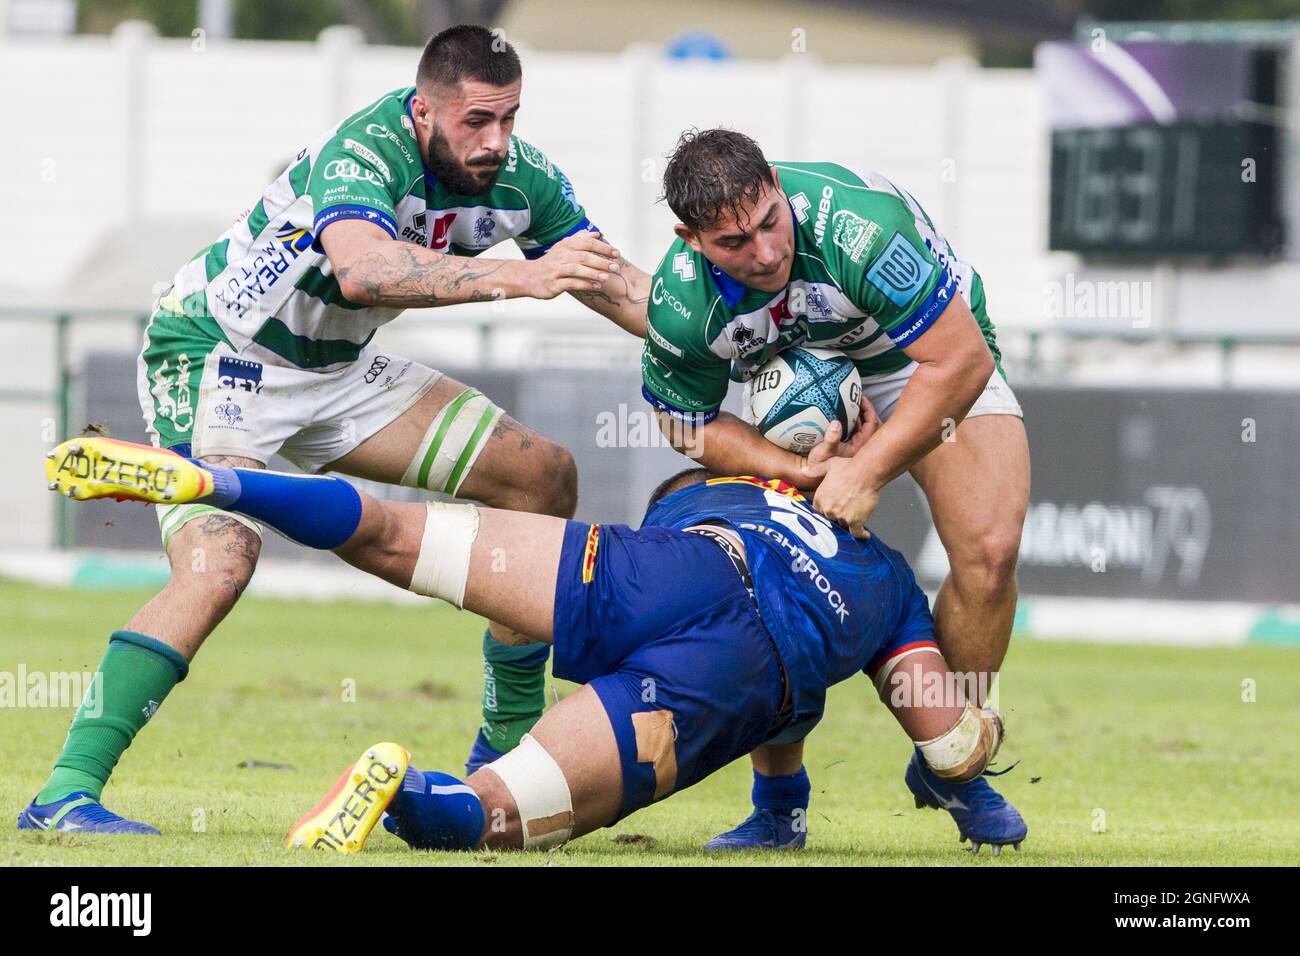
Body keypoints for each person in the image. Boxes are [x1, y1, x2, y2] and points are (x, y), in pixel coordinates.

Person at [17, 25, 651, 836]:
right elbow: (365, 269)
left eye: (510, 119)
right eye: (476, 123)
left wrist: (726, 343)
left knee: (542, 477)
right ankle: (64, 795)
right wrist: (519, 277)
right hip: (221, 356)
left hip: (338, 370)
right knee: (222, 561)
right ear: (424, 111)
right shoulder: (364, 149)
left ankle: (499, 756)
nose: (496, 142)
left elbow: (615, 283)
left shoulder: (523, 179)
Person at [39, 437, 1021, 855]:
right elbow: (940, 740)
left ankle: (215, 481)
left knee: (390, 529)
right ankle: (412, 791)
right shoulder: (889, 579)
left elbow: (686, 466)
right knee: (498, 815)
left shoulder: (733, 488)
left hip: (659, 563)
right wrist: (973, 753)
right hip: (731, 672)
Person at [640, 129, 1030, 850]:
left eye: (769, 222)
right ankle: (779, 807)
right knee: (769, 584)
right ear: (689, 238)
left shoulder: (859, 228)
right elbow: (685, 423)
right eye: (733, 242)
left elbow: (962, 359)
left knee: (992, 550)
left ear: (779, 189)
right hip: (791, 391)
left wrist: (866, 466)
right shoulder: (679, 302)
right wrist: (800, 471)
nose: (763, 252)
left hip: (921, 357)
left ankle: (953, 758)